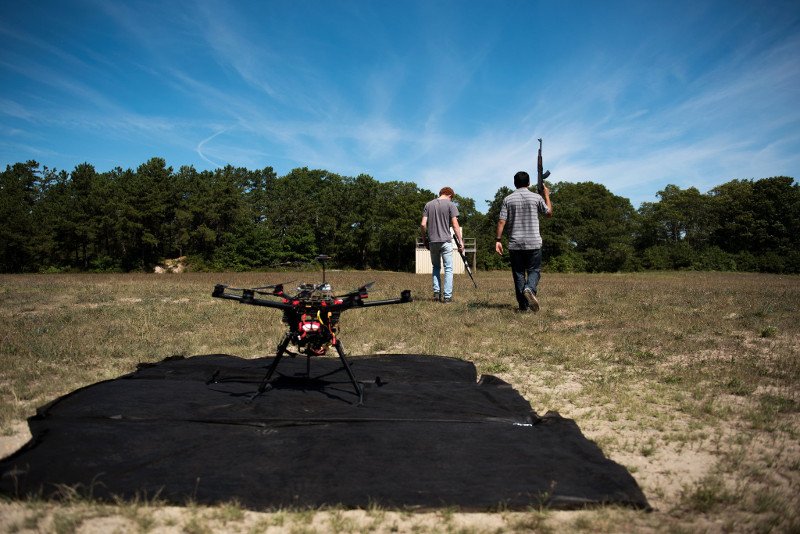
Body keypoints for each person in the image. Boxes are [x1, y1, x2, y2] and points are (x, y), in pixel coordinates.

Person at [495, 172, 553, 312]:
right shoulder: (536, 197)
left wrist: (498, 240)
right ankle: (530, 288)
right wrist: (546, 194)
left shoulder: (508, 199)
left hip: (515, 243)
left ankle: (523, 307)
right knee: (534, 270)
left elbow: (502, 221)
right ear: (528, 183)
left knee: (519, 273)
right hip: (533, 242)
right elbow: (548, 213)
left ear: (515, 183)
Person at [421, 187, 464, 303]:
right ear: (450, 195)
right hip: (445, 241)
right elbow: (455, 225)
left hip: (433, 241)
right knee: (448, 269)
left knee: (436, 267)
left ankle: (436, 293)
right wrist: (461, 242)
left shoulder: (428, 205)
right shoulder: (451, 205)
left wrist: (425, 239)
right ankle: (447, 297)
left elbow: (423, 224)